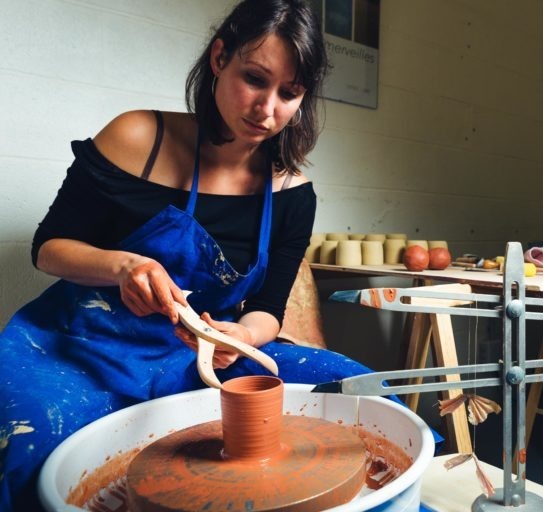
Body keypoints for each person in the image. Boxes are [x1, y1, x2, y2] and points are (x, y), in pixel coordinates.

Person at [0, 1, 391, 509]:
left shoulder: (294, 193)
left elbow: (267, 309)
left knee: (364, 398)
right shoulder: (138, 137)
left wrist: (243, 336)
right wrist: (124, 265)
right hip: (78, 346)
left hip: (197, 353)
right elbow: (48, 249)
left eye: (289, 93)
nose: (267, 109)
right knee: (35, 452)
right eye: (254, 78)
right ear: (218, 57)